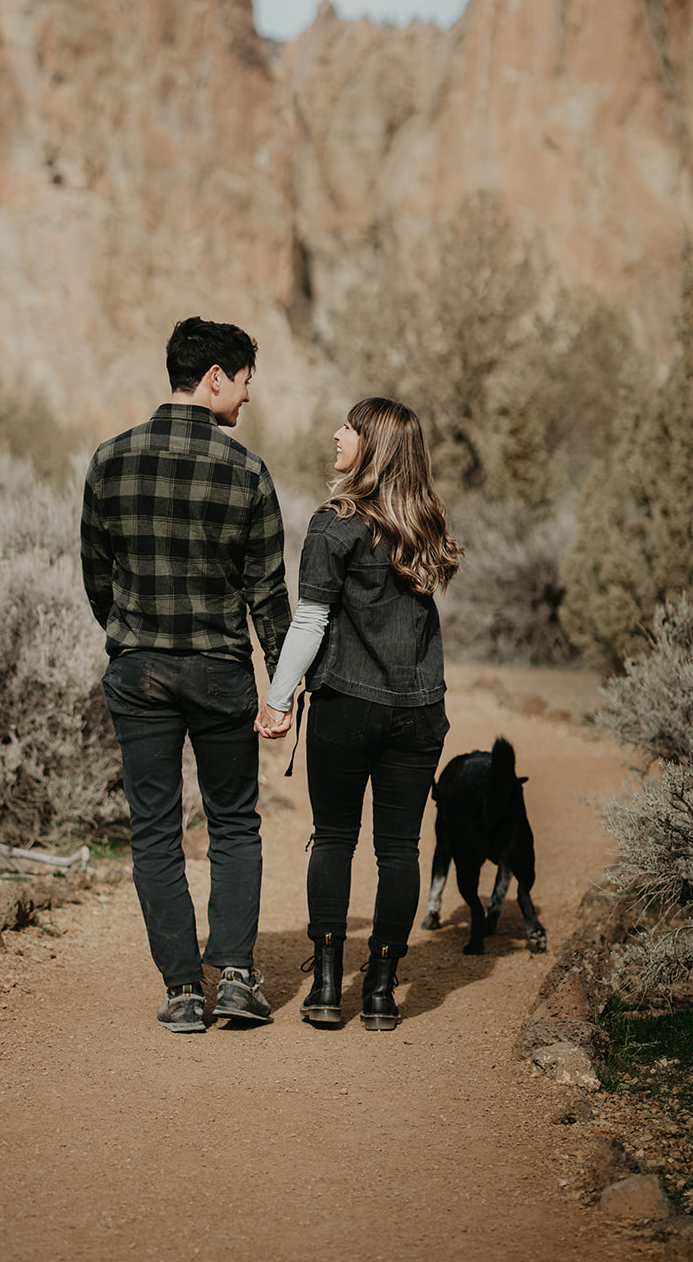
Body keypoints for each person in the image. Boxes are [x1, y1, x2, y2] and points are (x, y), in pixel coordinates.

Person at [81, 316, 293, 1033]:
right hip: (218, 673)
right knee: (233, 823)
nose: (245, 398)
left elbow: (96, 575)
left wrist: (133, 635)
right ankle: (233, 975)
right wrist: (282, 687)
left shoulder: (110, 460)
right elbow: (267, 594)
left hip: (138, 671)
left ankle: (180, 992)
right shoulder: (246, 472)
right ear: (213, 379)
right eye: (242, 383)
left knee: (154, 832)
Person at [258, 397, 461, 1031]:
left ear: (373, 446)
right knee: (399, 849)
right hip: (420, 711)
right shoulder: (425, 526)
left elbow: (312, 618)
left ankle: (324, 987)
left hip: (348, 704)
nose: (337, 434)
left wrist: (277, 698)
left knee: (335, 838)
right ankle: (378, 989)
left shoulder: (334, 524)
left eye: (350, 427)